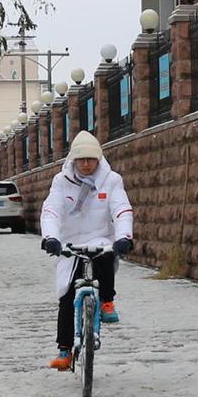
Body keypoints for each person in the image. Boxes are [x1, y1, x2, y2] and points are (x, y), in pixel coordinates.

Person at [40, 131, 134, 371]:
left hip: (100, 236)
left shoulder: (111, 180)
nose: (85, 164)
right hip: (70, 242)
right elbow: (51, 210)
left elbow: (121, 209)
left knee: (106, 251)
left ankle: (107, 302)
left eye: (90, 159)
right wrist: (51, 237)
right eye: (81, 159)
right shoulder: (61, 182)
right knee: (67, 295)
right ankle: (64, 350)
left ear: (98, 159)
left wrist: (124, 237)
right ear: (73, 160)